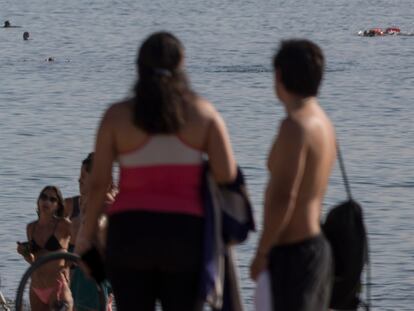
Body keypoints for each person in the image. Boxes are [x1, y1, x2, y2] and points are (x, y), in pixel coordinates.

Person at [75, 31, 237, 311]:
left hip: (131, 235)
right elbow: (227, 177)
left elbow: (100, 184)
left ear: (138, 67)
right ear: (181, 66)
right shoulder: (203, 114)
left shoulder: (117, 116)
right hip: (185, 235)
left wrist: (86, 239)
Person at [250, 39, 336, 311]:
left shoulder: (295, 126)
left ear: (278, 76)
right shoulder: (323, 122)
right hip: (315, 249)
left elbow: (283, 196)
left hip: (294, 252)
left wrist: (262, 252)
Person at [17, 186, 73, 311]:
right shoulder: (31, 227)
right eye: (44, 197)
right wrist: (24, 253)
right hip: (36, 288)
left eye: (52, 199)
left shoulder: (63, 225)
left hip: (57, 287)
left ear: (58, 206)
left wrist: (68, 264)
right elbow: (33, 261)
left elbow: (80, 244)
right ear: (38, 201)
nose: (46, 201)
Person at [70, 153, 114, 311]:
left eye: (83, 176)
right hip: (81, 283)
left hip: (95, 284)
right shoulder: (87, 203)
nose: (79, 180)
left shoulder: (106, 204)